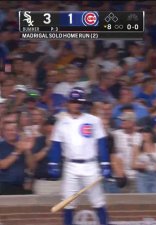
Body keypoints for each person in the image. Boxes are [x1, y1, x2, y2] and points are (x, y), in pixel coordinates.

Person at [47, 87, 112, 225]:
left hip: (90, 165)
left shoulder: (93, 120)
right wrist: (53, 163)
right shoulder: (61, 122)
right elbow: (56, 145)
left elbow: (101, 143)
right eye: (73, 101)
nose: (76, 104)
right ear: (68, 102)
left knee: (98, 201)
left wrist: (105, 163)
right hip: (70, 166)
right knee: (68, 202)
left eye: (78, 102)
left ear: (83, 103)